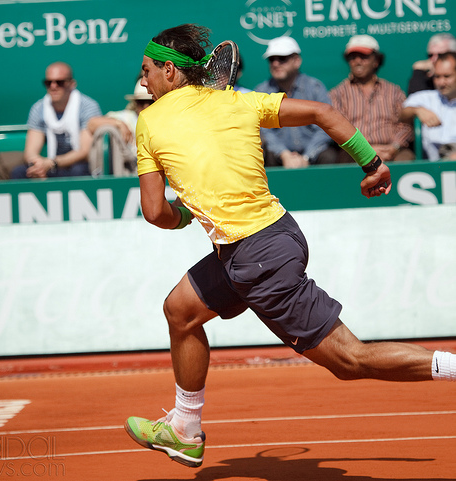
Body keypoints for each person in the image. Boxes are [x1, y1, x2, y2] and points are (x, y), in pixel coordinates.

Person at [123, 24, 455, 469]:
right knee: (181, 311)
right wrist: (373, 165)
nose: (142, 81)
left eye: (146, 70)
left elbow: (154, 212)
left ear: (169, 70)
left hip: (255, 257)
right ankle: (184, 426)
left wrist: (184, 214)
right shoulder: (239, 101)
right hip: (277, 236)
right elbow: (322, 111)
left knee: (350, 360)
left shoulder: (149, 121)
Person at [329, 35, 414, 163]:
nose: (357, 61)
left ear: (376, 61)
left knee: (406, 158)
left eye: (363, 57)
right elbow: (337, 128)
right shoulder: (337, 94)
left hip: (391, 152)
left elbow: (405, 125)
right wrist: (365, 151)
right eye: (353, 57)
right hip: (353, 153)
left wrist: (394, 147)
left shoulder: (394, 91)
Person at [255, 36, 337, 168]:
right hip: (276, 157)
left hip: (313, 155)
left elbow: (326, 127)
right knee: (263, 153)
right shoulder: (261, 92)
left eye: (282, 58)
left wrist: (307, 157)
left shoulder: (315, 88)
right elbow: (263, 130)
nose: (275, 64)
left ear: (297, 61)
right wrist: (284, 154)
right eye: (271, 59)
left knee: (329, 155)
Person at [10, 61, 101, 179]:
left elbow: (85, 151)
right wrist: (37, 164)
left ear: (72, 84)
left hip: (78, 164)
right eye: (48, 83)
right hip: (51, 165)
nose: (53, 87)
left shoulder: (88, 106)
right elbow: (30, 151)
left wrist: (53, 163)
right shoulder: (38, 108)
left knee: (78, 171)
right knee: (19, 172)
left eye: (60, 82)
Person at [87, 78, 153, 175]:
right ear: (135, 102)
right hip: (128, 172)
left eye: (150, 102)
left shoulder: (164, 119)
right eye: (141, 102)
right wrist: (119, 124)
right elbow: (91, 124)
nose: (145, 106)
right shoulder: (125, 117)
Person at [401, 52, 456, 161]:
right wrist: (416, 110)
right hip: (431, 167)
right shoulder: (425, 97)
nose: (441, 82)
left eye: (447, 76)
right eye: (437, 76)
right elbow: (401, 114)